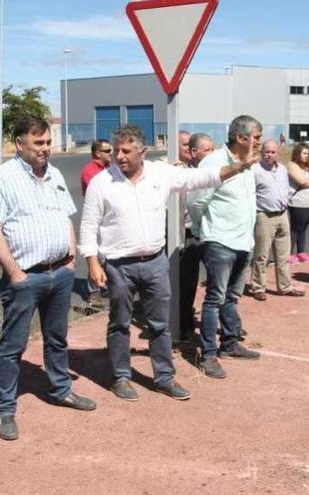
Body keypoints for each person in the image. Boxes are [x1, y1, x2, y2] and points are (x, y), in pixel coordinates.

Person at [80, 125, 255, 401]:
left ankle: (164, 377)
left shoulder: (161, 174)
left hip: (155, 263)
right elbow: (89, 225)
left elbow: (201, 177)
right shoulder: (102, 182)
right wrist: (92, 262)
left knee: (160, 325)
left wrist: (237, 168)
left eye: (126, 151)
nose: (119, 156)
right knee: (119, 324)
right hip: (118, 265)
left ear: (143, 152)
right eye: (116, 151)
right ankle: (121, 377)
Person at [0, 116, 94, 442]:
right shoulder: (2, 178)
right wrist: (15, 273)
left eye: (47, 143)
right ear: (19, 143)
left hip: (59, 274)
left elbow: (66, 219)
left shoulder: (55, 174)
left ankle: (61, 389)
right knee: (12, 347)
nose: (45, 149)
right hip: (25, 278)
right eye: (38, 143)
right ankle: (4, 408)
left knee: (57, 338)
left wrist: (71, 260)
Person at [189, 115, 263, 380]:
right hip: (220, 242)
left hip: (244, 242)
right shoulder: (215, 162)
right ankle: (208, 355)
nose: (259, 142)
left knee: (232, 297)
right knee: (215, 299)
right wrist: (205, 231)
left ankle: (230, 344)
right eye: (257, 137)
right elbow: (196, 202)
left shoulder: (250, 166)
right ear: (241, 138)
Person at [250, 140, 305, 301]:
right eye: (266, 152)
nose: (269, 155)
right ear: (262, 152)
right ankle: (258, 287)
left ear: (278, 153)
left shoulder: (282, 169)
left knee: (283, 254)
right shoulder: (256, 170)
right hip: (264, 215)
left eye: (273, 152)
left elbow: (286, 188)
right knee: (261, 255)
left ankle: (285, 286)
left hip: (282, 214)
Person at [179, 133, 215, 342]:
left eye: (212, 149)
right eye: (207, 150)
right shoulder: (182, 174)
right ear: (194, 152)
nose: (211, 153)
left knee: (217, 281)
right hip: (189, 234)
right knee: (187, 283)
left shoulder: (214, 173)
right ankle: (184, 326)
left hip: (211, 234)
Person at [79, 139, 113, 309]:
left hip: (109, 217)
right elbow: (106, 192)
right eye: (107, 151)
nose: (111, 154)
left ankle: (104, 285)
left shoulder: (108, 169)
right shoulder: (90, 171)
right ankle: (93, 293)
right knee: (97, 256)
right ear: (97, 153)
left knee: (108, 254)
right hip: (97, 218)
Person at [287, 142, 309, 264]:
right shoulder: (292, 165)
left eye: (308, 153)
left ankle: (301, 252)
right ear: (297, 153)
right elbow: (301, 181)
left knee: (303, 228)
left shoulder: (308, 167)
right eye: (304, 153)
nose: (306, 156)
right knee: (295, 228)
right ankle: (289, 254)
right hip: (298, 202)